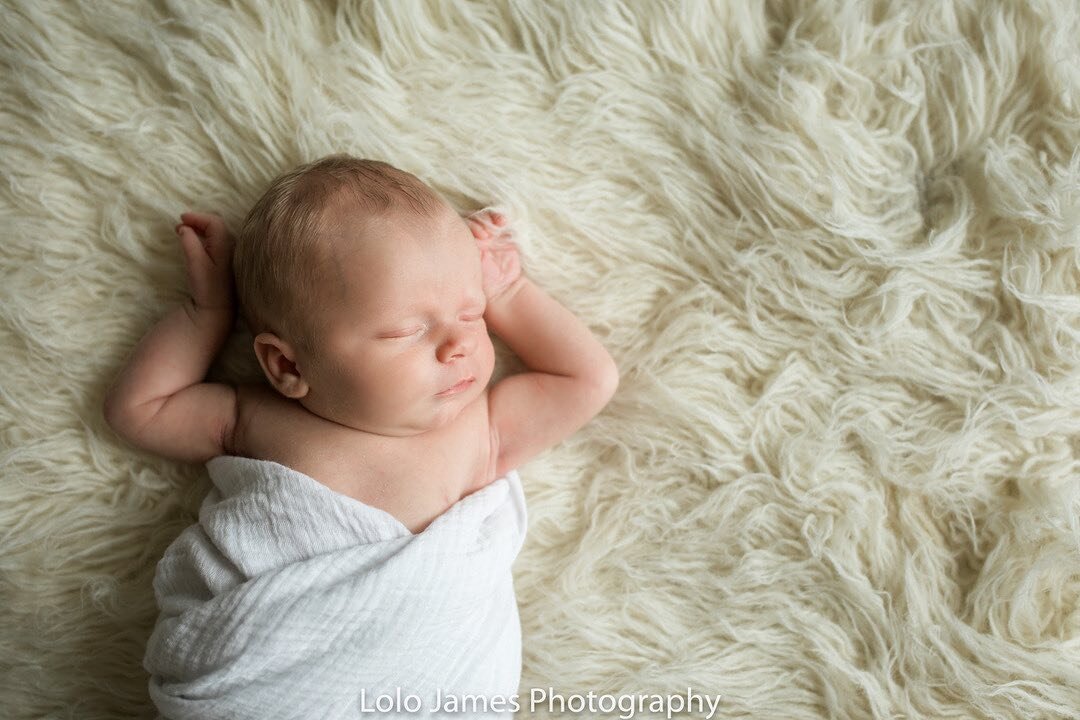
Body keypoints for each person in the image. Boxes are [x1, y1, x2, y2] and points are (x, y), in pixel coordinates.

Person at [102, 154, 619, 718]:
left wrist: (510, 292)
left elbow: (588, 378)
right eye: (408, 330)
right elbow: (140, 410)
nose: (459, 345)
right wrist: (206, 313)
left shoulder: (481, 429)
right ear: (285, 366)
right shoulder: (254, 418)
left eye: (472, 314)